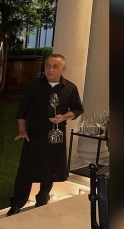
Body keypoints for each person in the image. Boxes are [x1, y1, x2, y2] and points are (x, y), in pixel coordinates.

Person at [8, 54, 84, 215]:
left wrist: (64, 117)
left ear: (63, 69)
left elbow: (77, 109)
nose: (50, 69)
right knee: (26, 170)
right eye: (47, 66)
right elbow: (22, 111)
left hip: (57, 134)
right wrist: (22, 129)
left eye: (55, 66)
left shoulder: (70, 88)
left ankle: (42, 198)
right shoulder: (33, 86)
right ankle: (17, 204)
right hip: (34, 134)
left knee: (50, 169)